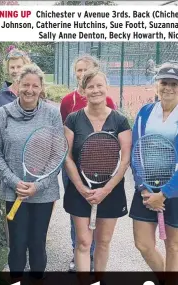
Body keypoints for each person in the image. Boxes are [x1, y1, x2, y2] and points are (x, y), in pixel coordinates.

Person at [0, 64, 63, 282]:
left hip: (43, 193)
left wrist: (37, 186)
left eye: (35, 86)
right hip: (14, 193)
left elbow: (58, 154)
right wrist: (14, 182)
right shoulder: (3, 114)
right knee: (17, 245)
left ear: (41, 88)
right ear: (17, 85)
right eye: (25, 85)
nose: (30, 90)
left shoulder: (51, 114)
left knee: (37, 244)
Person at [129, 62, 178, 273]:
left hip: (177, 192)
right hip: (146, 189)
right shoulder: (144, 112)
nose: (168, 87)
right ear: (157, 85)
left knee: (173, 245)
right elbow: (136, 152)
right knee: (143, 244)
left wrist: (164, 193)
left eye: (174, 83)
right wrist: (143, 187)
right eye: (164, 82)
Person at [63, 68, 131, 274]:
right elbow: (67, 157)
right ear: (83, 91)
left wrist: (106, 190)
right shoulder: (73, 120)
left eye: (99, 85)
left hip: (111, 191)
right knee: (83, 242)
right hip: (80, 190)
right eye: (90, 86)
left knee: (102, 242)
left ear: (106, 88)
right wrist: (82, 189)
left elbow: (125, 160)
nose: (95, 90)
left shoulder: (120, 121)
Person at [0, 47, 32, 272]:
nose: (16, 71)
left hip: (35, 168)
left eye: (19, 66)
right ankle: (14, 258)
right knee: (11, 216)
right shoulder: (0, 97)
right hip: (9, 169)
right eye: (12, 67)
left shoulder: (36, 90)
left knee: (34, 215)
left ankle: (31, 256)